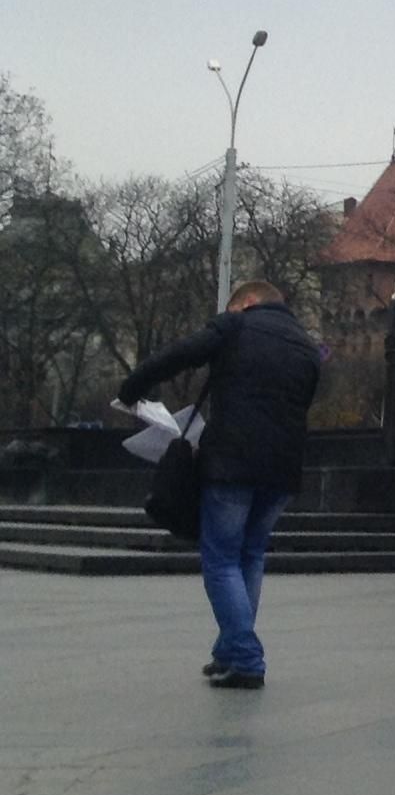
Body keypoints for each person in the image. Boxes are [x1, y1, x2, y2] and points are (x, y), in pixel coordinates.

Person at [118, 279, 322, 688]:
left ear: (245, 303)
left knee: (222, 558)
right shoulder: (307, 345)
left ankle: (246, 659)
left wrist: (132, 388)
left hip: (232, 462)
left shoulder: (236, 326)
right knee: (250, 556)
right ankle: (230, 649)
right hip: (282, 471)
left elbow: (181, 354)